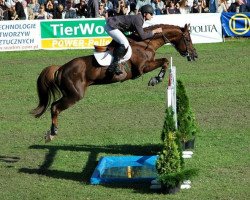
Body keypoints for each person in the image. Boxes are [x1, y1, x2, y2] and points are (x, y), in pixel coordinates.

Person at [104, 4, 162, 75]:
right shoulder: (139, 19)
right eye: (151, 14)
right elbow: (143, 36)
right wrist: (154, 31)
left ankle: (110, 54)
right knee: (125, 44)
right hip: (111, 27)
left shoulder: (139, 18)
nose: (152, 15)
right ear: (145, 14)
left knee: (123, 41)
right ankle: (113, 66)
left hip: (113, 26)